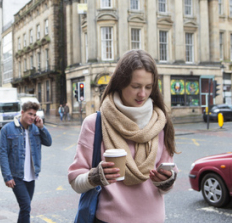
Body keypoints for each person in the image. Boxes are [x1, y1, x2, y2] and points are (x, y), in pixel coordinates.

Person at [68, 49, 178, 223]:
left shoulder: (160, 123)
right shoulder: (94, 124)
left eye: (148, 87)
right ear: (120, 83)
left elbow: (166, 185)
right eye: (136, 86)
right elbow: (75, 180)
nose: (142, 94)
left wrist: (165, 181)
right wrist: (95, 176)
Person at [0, 101, 52, 223]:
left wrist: (41, 127)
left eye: (34, 115)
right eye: (30, 114)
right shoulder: (7, 129)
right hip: (17, 176)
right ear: (22, 113)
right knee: (26, 206)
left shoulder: (36, 128)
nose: (32, 117)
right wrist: (7, 176)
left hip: (31, 176)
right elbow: (3, 154)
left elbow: (49, 142)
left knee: (25, 208)